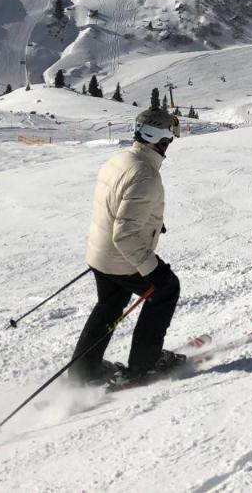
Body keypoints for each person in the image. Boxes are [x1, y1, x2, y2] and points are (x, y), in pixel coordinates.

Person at [70, 108, 181, 385]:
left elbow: (117, 206)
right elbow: (125, 236)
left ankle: (84, 370)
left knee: (109, 304)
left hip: (100, 254)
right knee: (165, 290)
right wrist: (152, 270)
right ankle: (145, 365)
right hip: (121, 258)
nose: (170, 142)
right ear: (159, 137)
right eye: (169, 136)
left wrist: (151, 221)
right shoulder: (145, 174)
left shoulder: (120, 159)